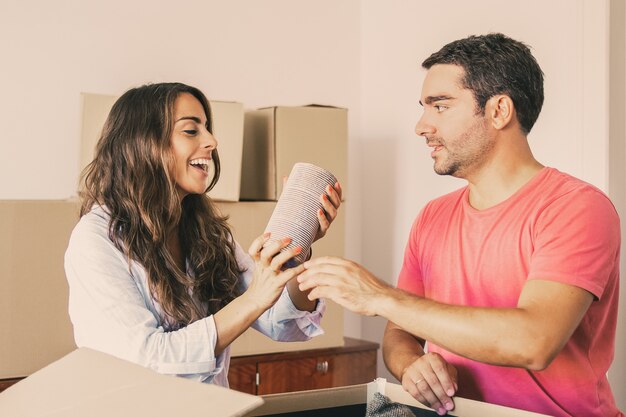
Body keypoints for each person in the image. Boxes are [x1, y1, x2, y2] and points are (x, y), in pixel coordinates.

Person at [297, 33, 623, 417]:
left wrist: (379, 297)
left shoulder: (576, 207)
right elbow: (401, 333)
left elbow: (533, 341)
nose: (421, 126)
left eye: (440, 106)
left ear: (499, 111)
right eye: (424, 107)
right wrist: (411, 365)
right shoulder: (432, 217)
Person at [64, 82, 342, 387]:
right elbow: (149, 360)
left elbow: (280, 322)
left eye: (207, 129)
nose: (211, 141)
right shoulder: (95, 240)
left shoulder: (206, 233)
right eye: (191, 131)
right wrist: (252, 300)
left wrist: (300, 242)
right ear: (143, 143)